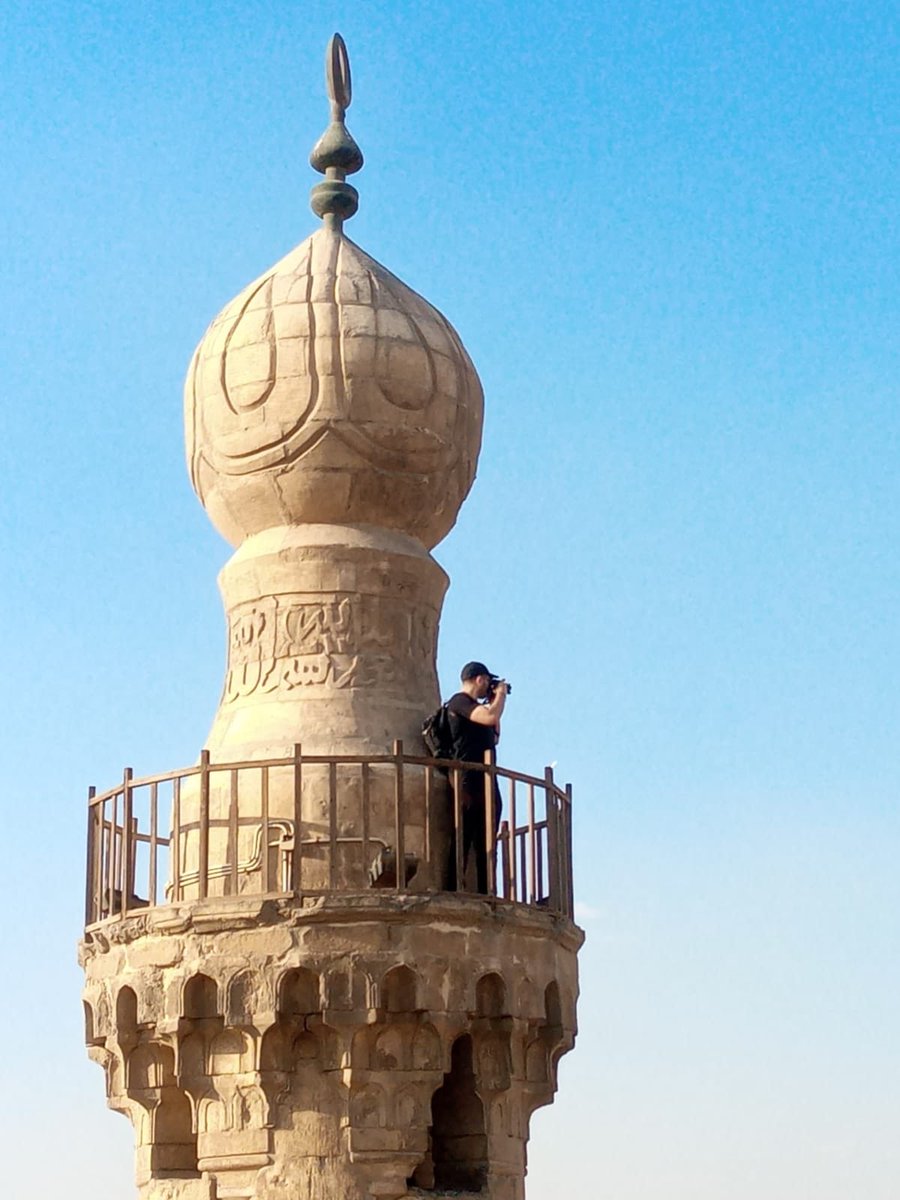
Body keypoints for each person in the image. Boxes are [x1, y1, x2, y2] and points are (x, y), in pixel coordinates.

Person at [445, 661, 508, 894]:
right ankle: (452, 889)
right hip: (468, 780)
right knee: (463, 836)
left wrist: (495, 701)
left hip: (486, 779)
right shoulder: (459, 702)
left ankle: (485, 891)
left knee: (487, 841)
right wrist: (500, 696)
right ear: (479, 679)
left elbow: (494, 734)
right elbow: (489, 717)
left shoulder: (478, 707)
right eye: (487, 682)